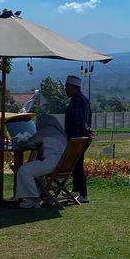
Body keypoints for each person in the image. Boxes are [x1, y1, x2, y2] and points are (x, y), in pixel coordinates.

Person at [15, 114, 67, 209]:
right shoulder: (59, 132)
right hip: (62, 165)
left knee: (23, 170)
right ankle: (46, 196)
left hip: (51, 163)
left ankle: (33, 199)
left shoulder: (45, 131)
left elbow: (30, 142)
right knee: (36, 172)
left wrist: (18, 142)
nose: (36, 124)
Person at [64, 75, 93, 203]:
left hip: (78, 138)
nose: (66, 90)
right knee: (76, 164)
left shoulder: (77, 101)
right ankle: (76, 190)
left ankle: (84, 194)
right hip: (81, 138)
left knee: (78, 165)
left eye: (67, 87)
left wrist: (86, 130)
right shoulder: (84, 99)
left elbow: (79, 119)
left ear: (73, 87)